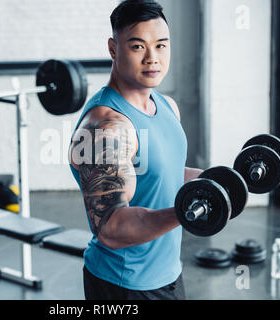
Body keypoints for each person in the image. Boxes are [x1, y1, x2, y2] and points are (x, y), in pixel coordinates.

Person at [68, 0, 203, 300]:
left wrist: (213, 182)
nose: (153, 58)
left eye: (161, 46)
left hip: (169, 273)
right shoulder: (104, 127)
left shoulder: (166, 106)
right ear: (114, 49)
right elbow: (111, 227)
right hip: (123, 285)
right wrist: (186, 212)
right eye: (138, 47)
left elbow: (162, 173)